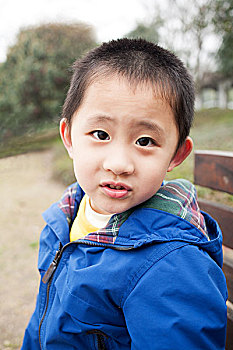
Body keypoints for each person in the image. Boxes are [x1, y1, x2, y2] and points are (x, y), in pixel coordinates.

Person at [21, 38, 227, 350]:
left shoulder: (172, 266)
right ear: (69, 137)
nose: (118, 164)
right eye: (100, 134)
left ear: (176, 155)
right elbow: (43, 321)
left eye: (145, 141)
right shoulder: (66, 217)